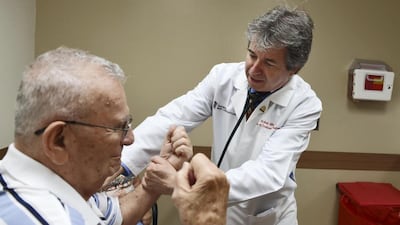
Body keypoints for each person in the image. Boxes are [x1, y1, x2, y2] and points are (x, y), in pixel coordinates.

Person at [121, 5, 322, 225]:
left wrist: (185, 184)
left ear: (294, 69)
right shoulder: (223, 78)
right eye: (252, 55)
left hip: (266, 216)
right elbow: (172, 118)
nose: (254, 69)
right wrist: (122, 165)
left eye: (269, 63)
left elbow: (269, 172)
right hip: (216, 208)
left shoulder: (304, 104)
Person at [0, 47, 229, 225]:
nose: (130, 139)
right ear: (59, 140)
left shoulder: (57, 184)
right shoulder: (52, 218)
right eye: (119, 127)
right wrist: (205, 220)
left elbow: (112, 215)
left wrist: (150, 184)